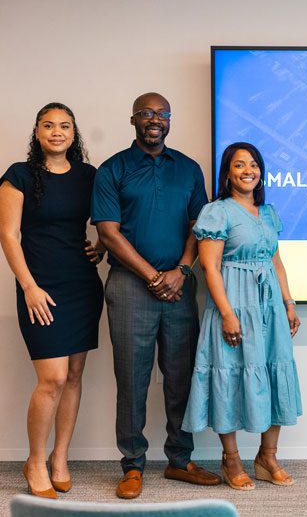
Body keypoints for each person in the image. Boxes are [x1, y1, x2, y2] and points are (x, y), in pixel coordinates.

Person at [91, 92, 221, 499]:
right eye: (147, 113)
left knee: (181, 376)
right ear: (133, 120)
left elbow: (199, 224)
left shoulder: (187, 169)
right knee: (132, 378)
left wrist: (181, 270)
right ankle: (132, 465)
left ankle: (180, 460)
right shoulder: (113, 169)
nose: (155, 119)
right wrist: (152, 276)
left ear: (170, 120)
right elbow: (108, 232)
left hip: (180, 285)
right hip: (130, 286)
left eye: (162, 114)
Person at [182, 142, 302, 490]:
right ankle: (231, 459)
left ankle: (267, 456)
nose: (248, 170)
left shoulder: (268, 212)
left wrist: (289, 303)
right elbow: (209, 266)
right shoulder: (217, 211)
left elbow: (275, 262)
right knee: (230, 375)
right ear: (228, 172)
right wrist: (226, 314)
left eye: (253, 164)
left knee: (273, 370)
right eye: (239, 165)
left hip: (269, 308)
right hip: (233, 304)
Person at [0, 103, 104, 498]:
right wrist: (28, 286)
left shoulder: (88, 176)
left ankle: (60, 458)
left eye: (64, 126)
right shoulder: (19, 175)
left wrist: (100, 249)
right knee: (53, 378)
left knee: (74, 376)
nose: (57, 132)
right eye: (49, 125)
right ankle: (34, 460)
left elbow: (108, 222)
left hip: (81, 284)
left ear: (74, 133)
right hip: (39, 287)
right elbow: (9, 236)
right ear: (38, 131)